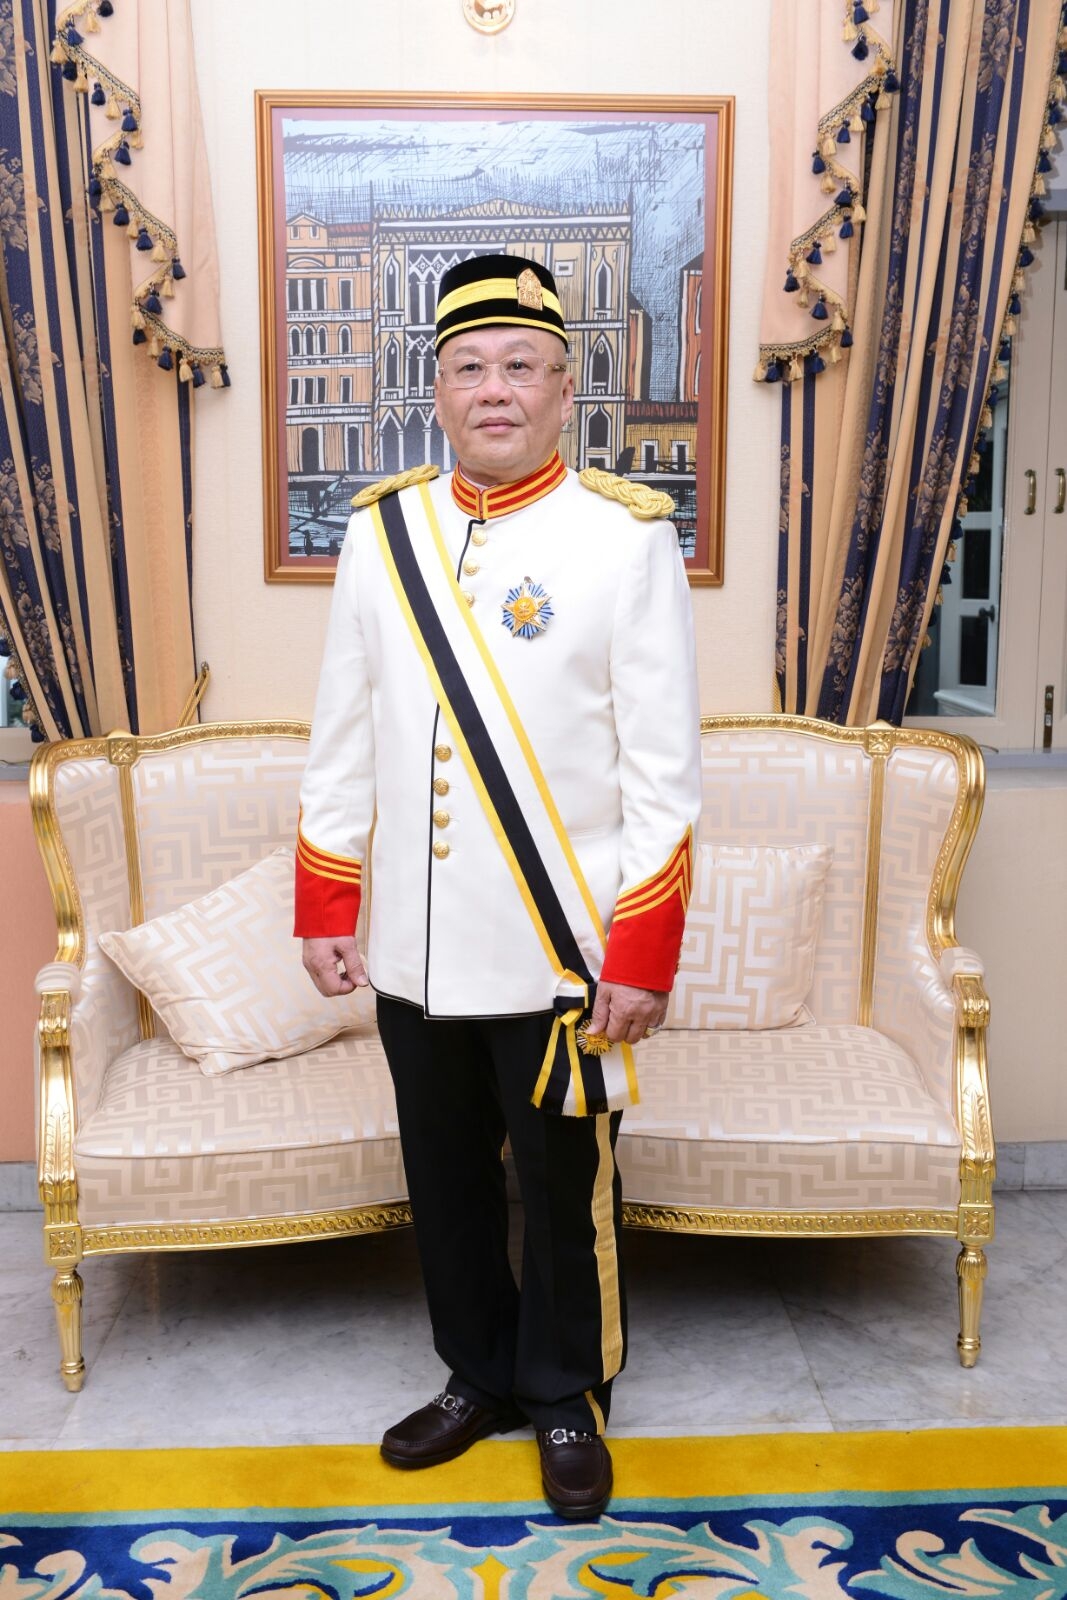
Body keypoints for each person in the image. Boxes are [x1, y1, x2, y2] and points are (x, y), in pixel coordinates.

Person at [296, 253, 701, 1518]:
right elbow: (341, 734)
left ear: (564, 387)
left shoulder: (623, 539)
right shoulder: (381, 535)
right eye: (468, 365)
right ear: (437, 389)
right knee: (446, 1177)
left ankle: (565, 1390)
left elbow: (663, 774)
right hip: (415, 950)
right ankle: (475, 1372)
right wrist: (326, 903)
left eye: (520, 365)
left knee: (565, 1183)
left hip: (556, 948)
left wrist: (639, 952)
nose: (492, 389)